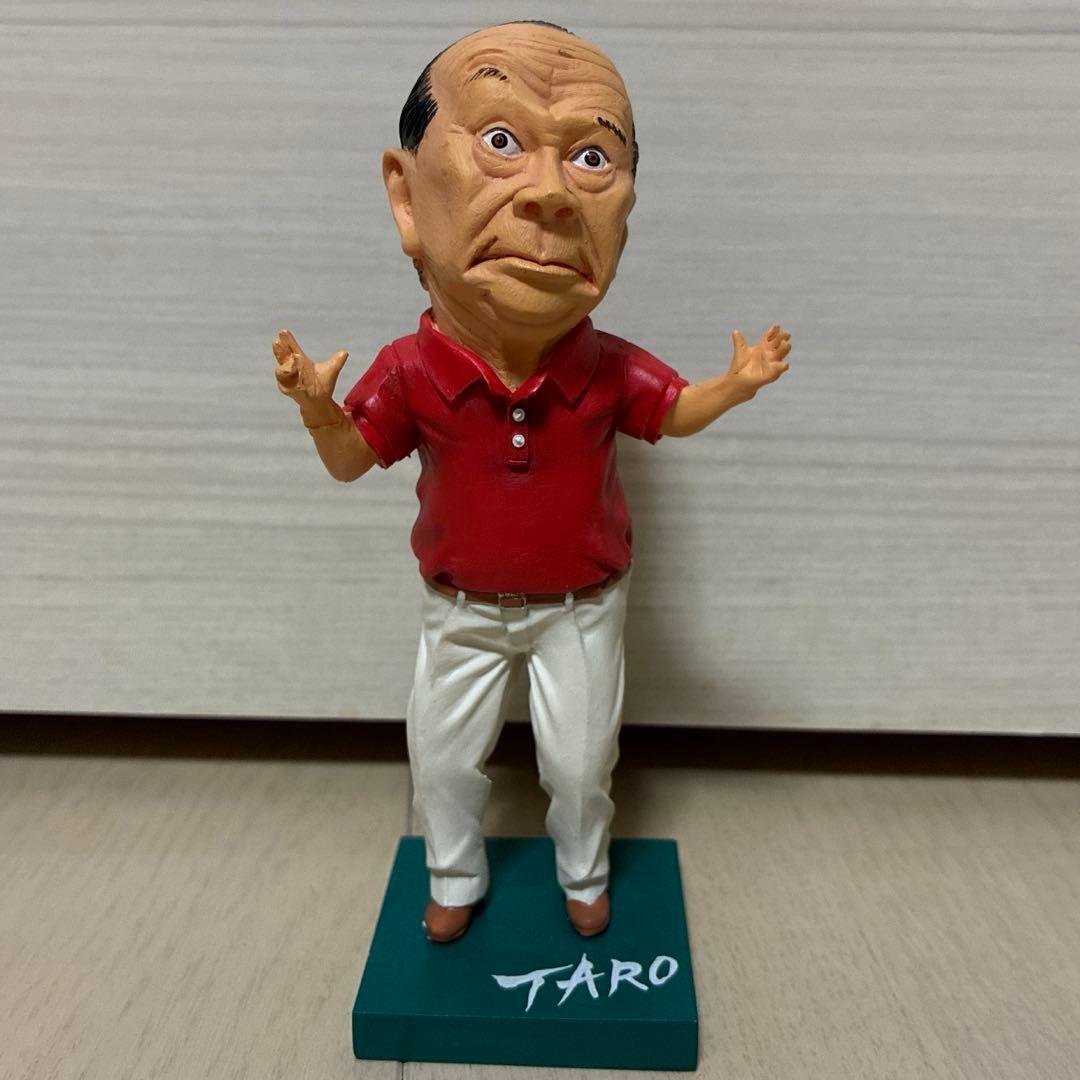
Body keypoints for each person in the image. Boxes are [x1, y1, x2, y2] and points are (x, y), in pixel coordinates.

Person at [272, 20, 791, 943]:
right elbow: (351, 459)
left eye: (593, 157)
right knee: (441, 763)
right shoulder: (409, 370)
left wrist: (734, 387)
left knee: (582, 765)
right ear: (406, 195)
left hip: (582, 608)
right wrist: (319, 409)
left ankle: (584, 873)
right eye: (501, 140)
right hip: (459, 609)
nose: (549, 193)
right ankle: (452, 876)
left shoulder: (609, 366)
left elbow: (671, 413)